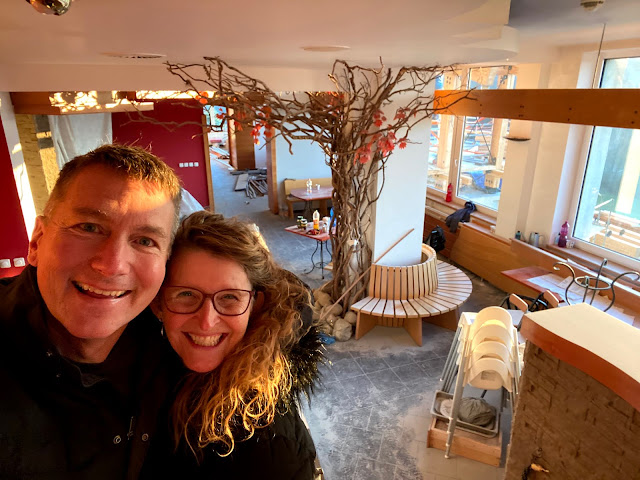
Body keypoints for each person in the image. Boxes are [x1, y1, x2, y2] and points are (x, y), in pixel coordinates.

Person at [0, 144, 182, 479]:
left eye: (145, 241)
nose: (111, 265)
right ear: (37, 241)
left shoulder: (181, 347)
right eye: (88, 227)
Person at [143, 211, 323, 479]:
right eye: (186, 294)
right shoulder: (149, 363)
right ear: (158, 303)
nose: (207, 322)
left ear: (255, 305)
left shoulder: (269, 445)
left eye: (229, 297)